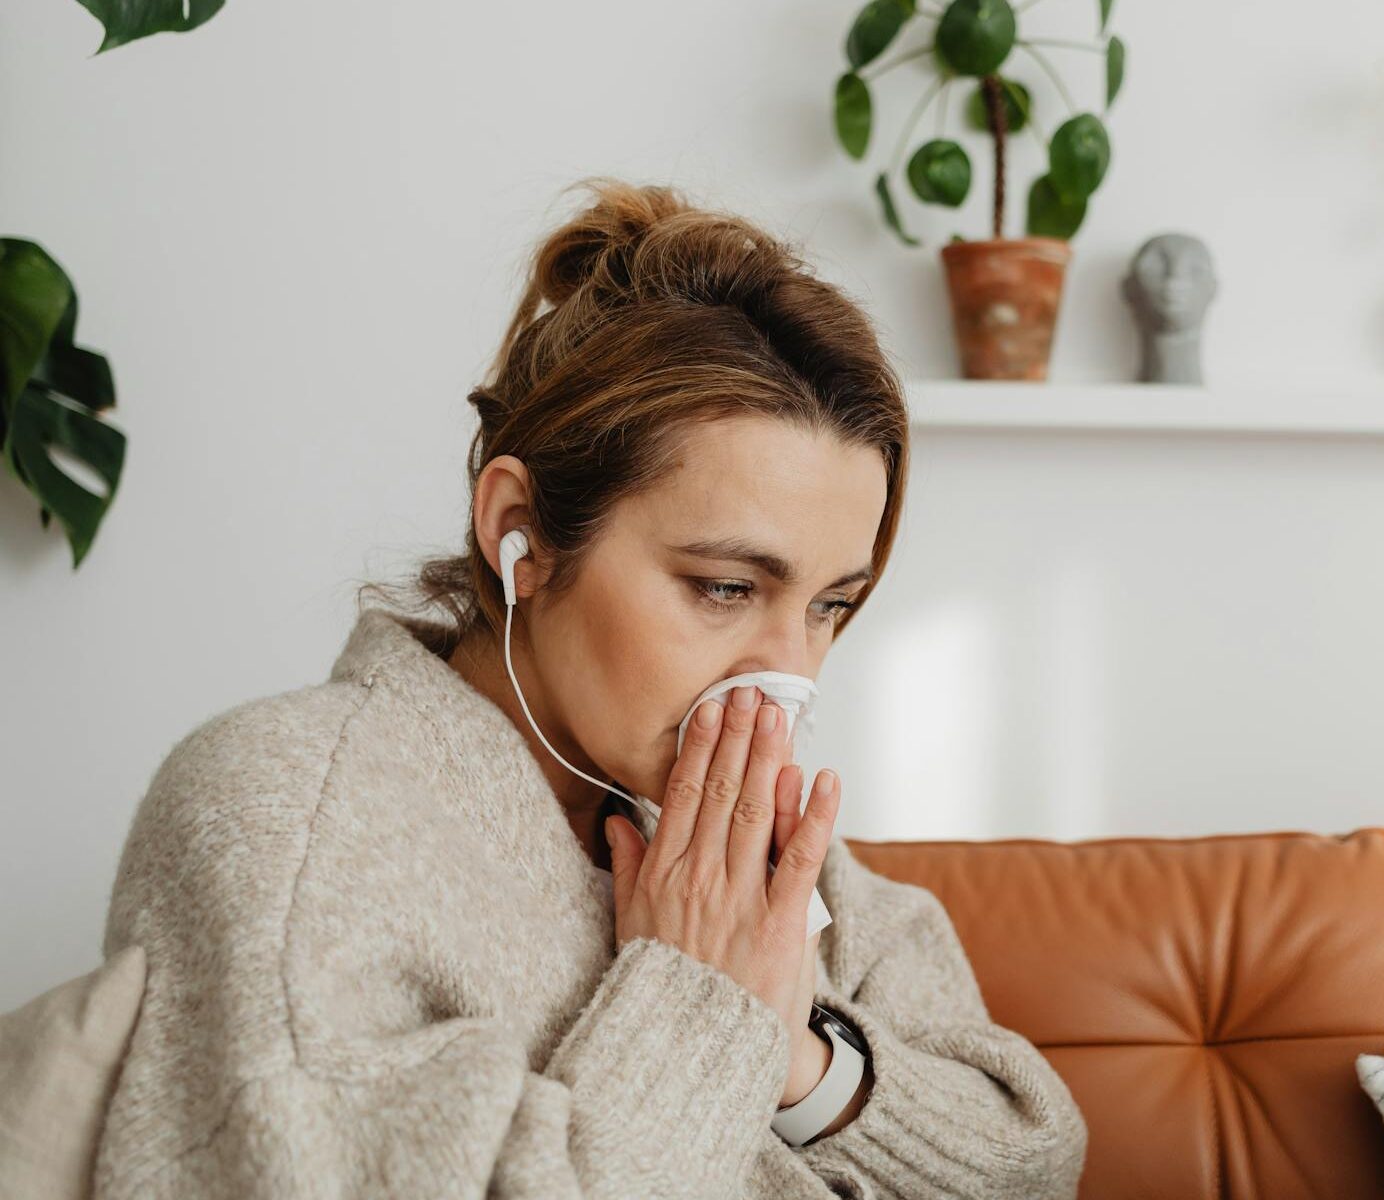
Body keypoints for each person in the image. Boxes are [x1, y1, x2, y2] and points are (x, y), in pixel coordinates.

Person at [94, 178, 1089, 1198]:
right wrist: (699, 999)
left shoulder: (739, 842)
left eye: (830, 605)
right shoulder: (283, 817)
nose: (787, 672)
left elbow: (1031, 1154)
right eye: (725, 587)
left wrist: (797, 1055)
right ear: (516, 531)